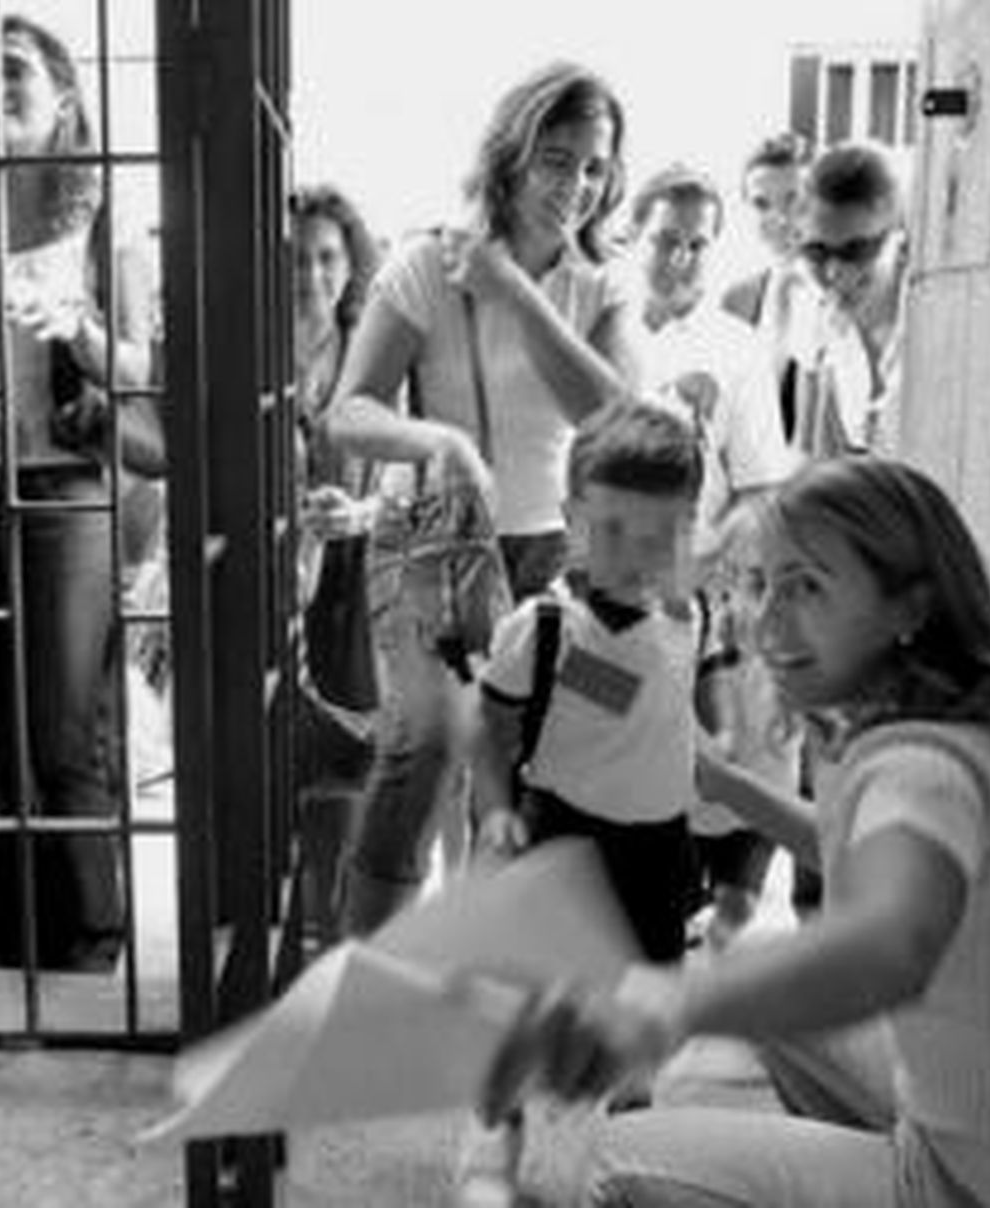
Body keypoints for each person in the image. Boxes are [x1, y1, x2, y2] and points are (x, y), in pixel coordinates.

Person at [481, 455, 990, 1208]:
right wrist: (727, 786)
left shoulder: (920, 764)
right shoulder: (982, 713)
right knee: (769, 971)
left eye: (808, 586)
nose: (768, 620)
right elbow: (878, 857)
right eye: (763, 583)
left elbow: (889, 941)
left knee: (595, 1165)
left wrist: (658, 1001)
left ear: (909, 608)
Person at [324, 60, 640, 935]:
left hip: (552, 555)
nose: (576, 183)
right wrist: (440, 441)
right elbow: (347, 411)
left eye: (593, 165)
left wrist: (513, 289)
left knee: (543, 765)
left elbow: (614, 419)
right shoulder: (428, 261)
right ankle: (368, 977)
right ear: (511, 154)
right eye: (556, 158)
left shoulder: (602, 285)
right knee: (425, 743)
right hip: (429, 544)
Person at [0, 12, 155, 971]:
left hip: (60, 498)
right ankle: (10, 965)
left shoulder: (104, 223)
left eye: (11, 71)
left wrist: (79, 328)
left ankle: (86, 958)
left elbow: (146, 376)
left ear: (63, 97)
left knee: (61, 745)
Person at [457, 403, 707, 1203]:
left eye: (661, 535)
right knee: (547, 1021)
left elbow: (656, 705)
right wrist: (495, 809)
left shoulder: (687, 614)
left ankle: (623, 1153)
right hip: (568, 843)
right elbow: (489, 729)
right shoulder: (545, 629)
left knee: (645, 1018)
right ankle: (496, 1135)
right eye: (612, 531)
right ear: (569, 521)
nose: (639, 557)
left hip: (660, 851)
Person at [624, 161, 802, 951]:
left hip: (709, 587)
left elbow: (761, 482)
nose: (682, 258)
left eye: (699, 244)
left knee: (740, 750)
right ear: (635, 232)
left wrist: (711, 563)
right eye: (667, 239)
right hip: (617, 583)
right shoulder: (607, 326)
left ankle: (729, 908)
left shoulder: (738, 349)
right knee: (624, 734)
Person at [289, 183, 384, 947]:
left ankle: (334, 928)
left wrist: (362, 514)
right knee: (273, 750)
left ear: (352, 266)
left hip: (356, 572)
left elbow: (416, 469)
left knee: (348, 752)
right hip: (271, 568)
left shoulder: (374, 351)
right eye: (294, 260)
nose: (312, 276)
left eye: (327, 258)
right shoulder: (249, 343)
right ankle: (286, 926)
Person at [790, 140, 910, 458]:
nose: (834, 272)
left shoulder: (927, 316)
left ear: (895, 234)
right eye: (817, 252)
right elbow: (807, 451)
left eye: (856, 252)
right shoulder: (815, 311)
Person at [721, 131, 817, 444]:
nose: (779, 217)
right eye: (762, 204)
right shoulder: (738, 301)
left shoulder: (847, 295)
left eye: (794, 200)